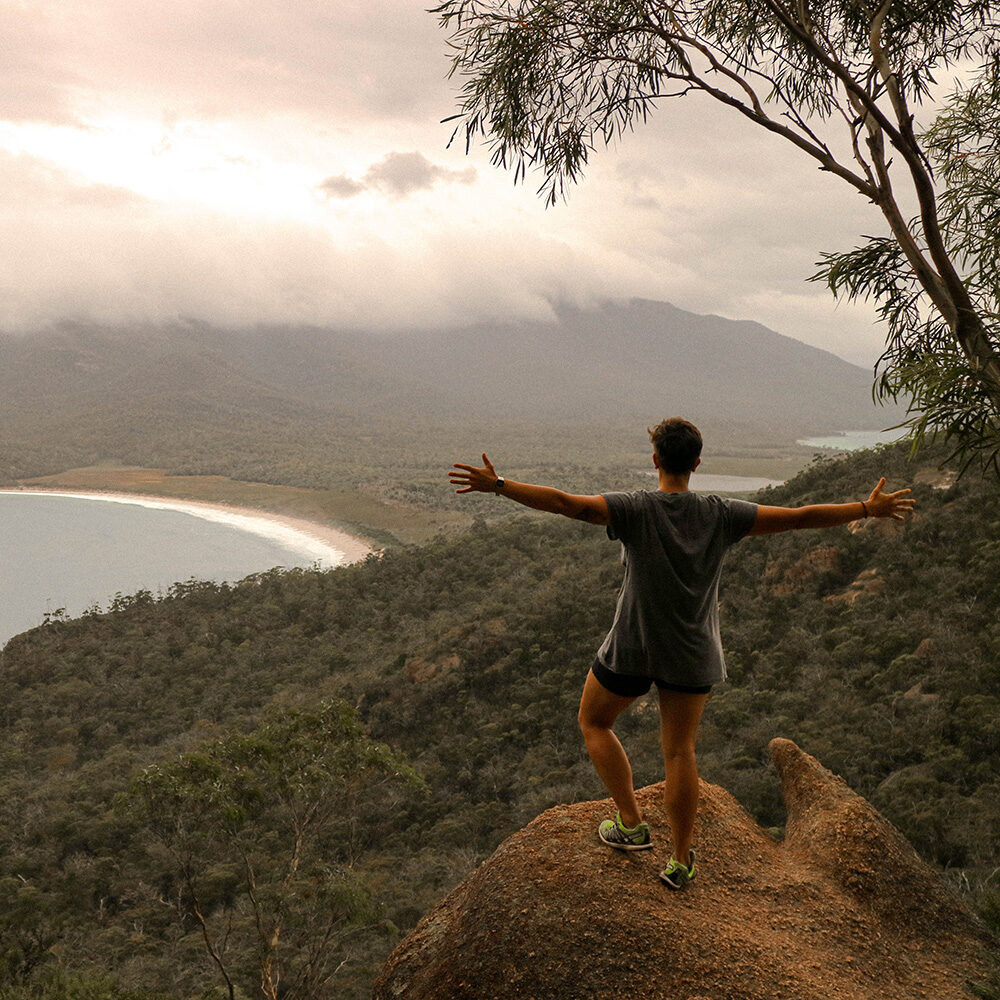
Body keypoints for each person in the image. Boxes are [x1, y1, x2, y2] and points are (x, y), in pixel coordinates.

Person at [449, 417, 915, 889]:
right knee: (680, 751)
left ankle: (630, 824)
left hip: (633, 645)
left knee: (594, 721)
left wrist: (500, 486)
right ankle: (679, 859)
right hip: (692, 653)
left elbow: (569, 505)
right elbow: (799, 517)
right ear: (696, 463)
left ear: (655, 460)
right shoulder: (721, 514)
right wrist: (865, 508)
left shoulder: (634, 508)